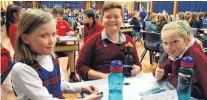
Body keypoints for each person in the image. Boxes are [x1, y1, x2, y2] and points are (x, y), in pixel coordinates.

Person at [11, 9, 103, 100]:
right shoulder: (22, 69)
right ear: (26, 38)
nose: (52, 41)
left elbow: (59, 84)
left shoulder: (52, 57)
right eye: (44, 36)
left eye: (54, 34)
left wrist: (82, 87)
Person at [76, 2, 142, 81]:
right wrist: (104, 76)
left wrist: (137, 69)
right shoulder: (93, 40)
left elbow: (137, 64)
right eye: (108, 17)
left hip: (124, 85)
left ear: (122, 19)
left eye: (116, 16)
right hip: (99, 86)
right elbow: (80, 67)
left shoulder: (129, 40)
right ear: (102, 20)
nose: (112, 20)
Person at [153, 21, 207, 99]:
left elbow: (203, 92)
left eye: (174, 41)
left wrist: (171, 77)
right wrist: (158, 72)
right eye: (165, 43)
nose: (168, 47)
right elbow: (166, 67)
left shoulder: (195, 56)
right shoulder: (176, 51)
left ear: (187, 41)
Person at [51, 6, 79, 82]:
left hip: (63, 45)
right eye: (56, 16)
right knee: (51, 56)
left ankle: (72, 74)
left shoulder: (65, 23)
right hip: (52, 47)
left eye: (60, 16)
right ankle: (54, 76)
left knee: (71, 52)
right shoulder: (50, 24)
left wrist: (71, 33)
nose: (59, 17)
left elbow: (73, 32)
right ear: (53, 16)